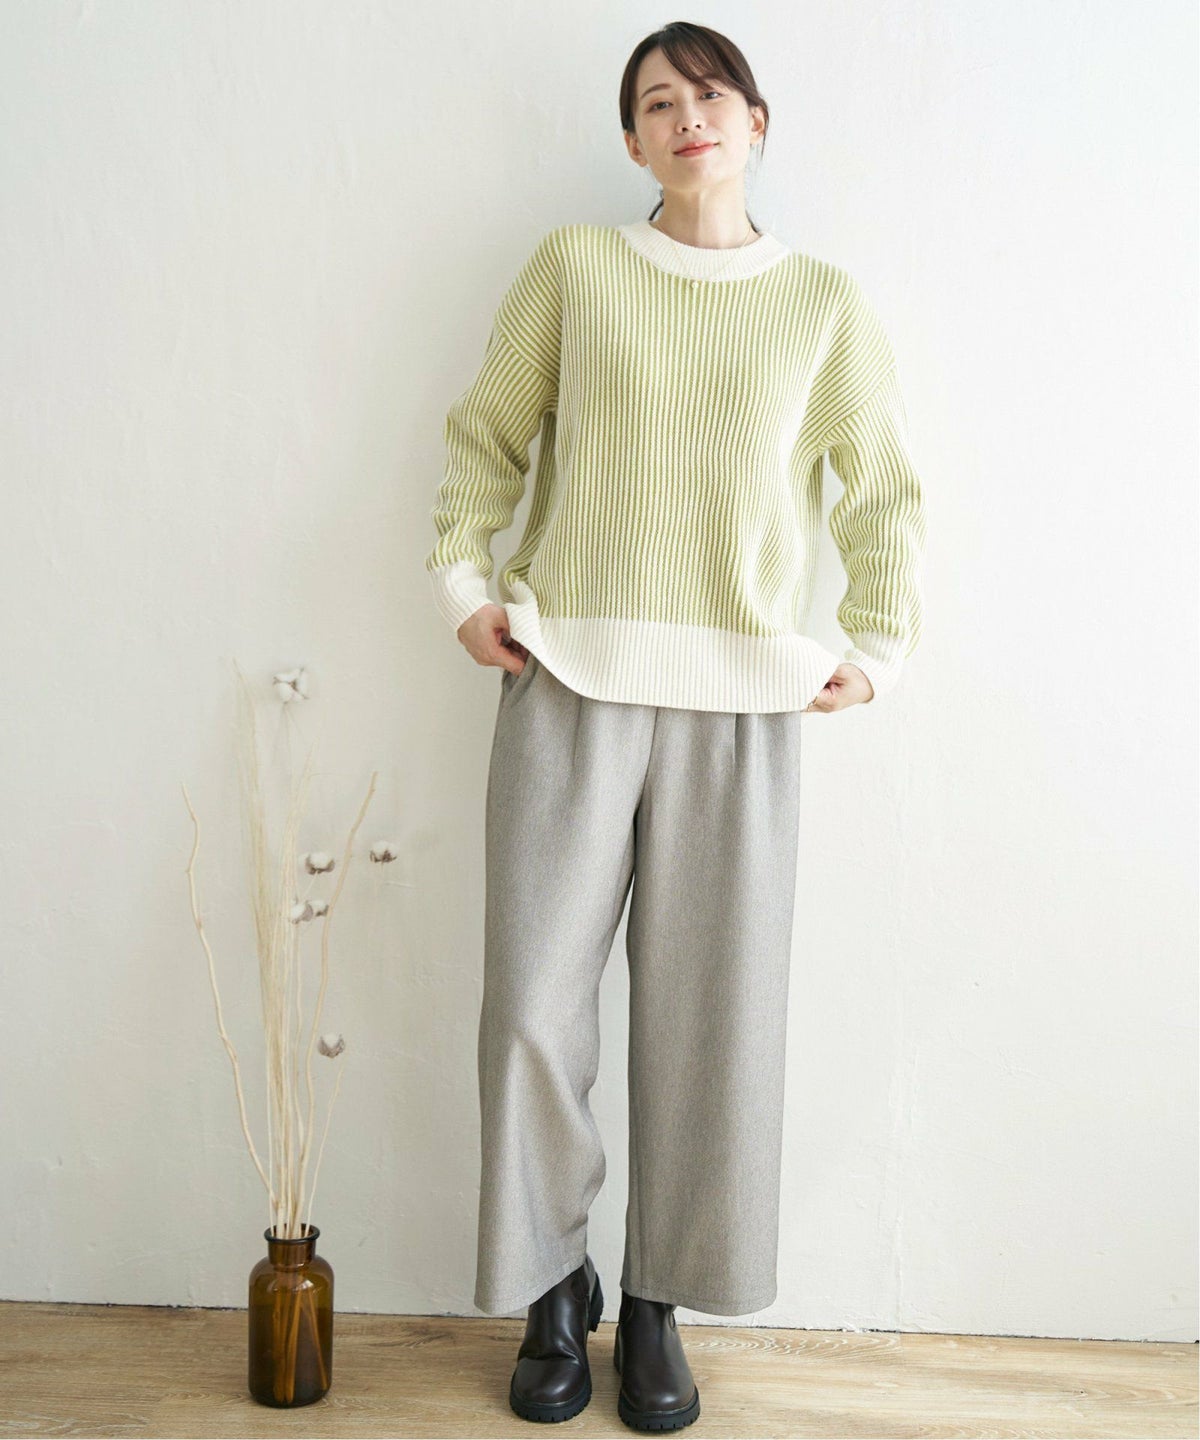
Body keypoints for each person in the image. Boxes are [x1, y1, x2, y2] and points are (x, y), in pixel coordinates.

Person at [424, 21, 926, 1431]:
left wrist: (878, 647)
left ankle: (657, 1302)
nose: (687, 116)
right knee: (532, 1009)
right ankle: (552, 1286)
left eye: (710, 94)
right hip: (568, 676)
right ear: (634, 140)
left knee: (715, 1028)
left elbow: (884, 485)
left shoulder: (823, 302)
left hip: (745, 707)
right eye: (658, 102)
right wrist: (464, 587)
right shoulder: (577, 268)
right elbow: (485, 436)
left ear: (756, 122)